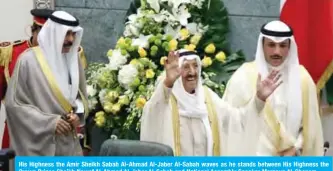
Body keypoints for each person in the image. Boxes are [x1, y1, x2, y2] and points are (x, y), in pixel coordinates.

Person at [140, 49, 282, 156]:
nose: (192, 72)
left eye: (195, 66)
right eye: (186, 67)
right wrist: (168, 82)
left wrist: (259, 99)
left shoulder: (207, 98)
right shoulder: (166, 100)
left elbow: (238, 122)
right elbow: (152, 113)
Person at [222, 20, 324, 156]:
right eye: (271, 45)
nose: (277, 51)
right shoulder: (243, 76)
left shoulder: (303, 79)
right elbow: (229, 121)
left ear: (290, 47)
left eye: (282, 45)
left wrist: (296, 148)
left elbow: (311, 126)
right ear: (262, 45)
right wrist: (258, 100)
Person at [0, 9, 88, 149]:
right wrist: (50, 123)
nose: (71, 40)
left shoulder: (73, 58)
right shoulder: (28, 60)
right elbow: (15, 105)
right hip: (37, 145)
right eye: (66, 34)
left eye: (73, 34)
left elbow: (80, 95)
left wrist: (77, 114)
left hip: (67, 144)